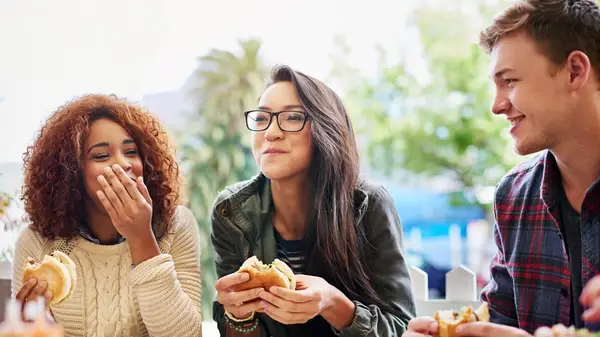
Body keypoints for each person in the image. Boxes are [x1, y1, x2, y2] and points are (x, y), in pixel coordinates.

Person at [403, 0, 600, 336]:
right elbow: (501, 324)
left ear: (574, 71)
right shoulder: (513, 195)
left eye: (509, 81)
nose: (496, 106)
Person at [210, 64, 416, 337]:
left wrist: (333, 303)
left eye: (292, 117)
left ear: (325, 129)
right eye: (261, 118)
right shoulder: (230, 212)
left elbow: (402, 328)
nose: (270, 132)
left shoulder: (369, 205)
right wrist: (239, 316)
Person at [11, 94, 203, 336]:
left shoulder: (177, 226)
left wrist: (141, 238)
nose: (123, 164)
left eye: (132, 152)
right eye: (101, 155)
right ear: (71, 173)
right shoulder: (37, 244)